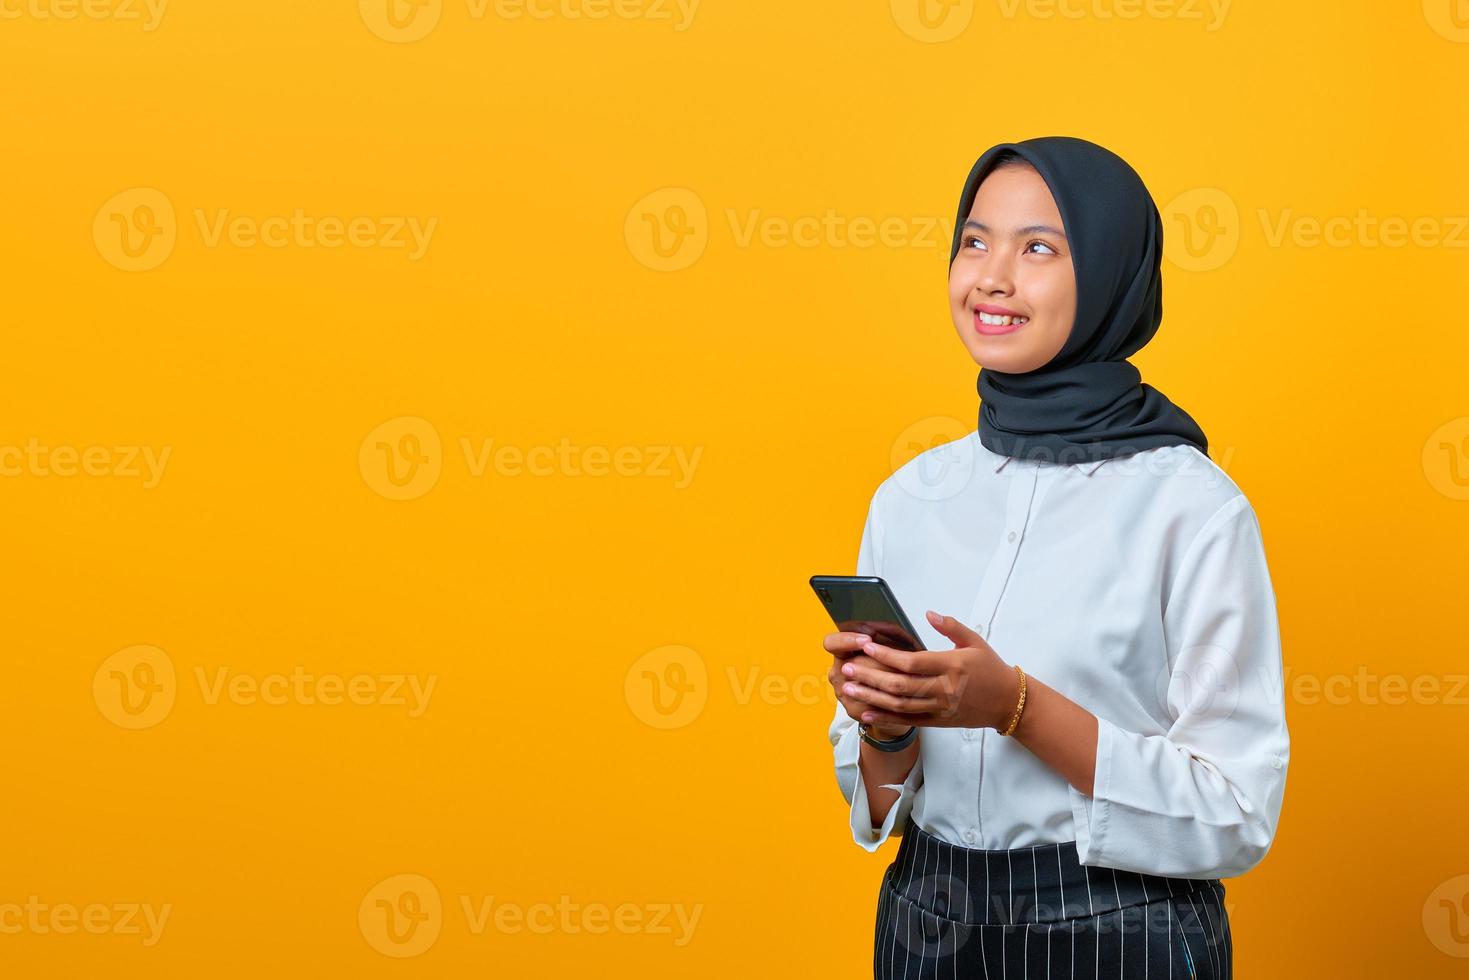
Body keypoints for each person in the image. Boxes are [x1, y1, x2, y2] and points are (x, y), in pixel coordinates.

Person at [823, 137, 1289, 979]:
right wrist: (885, 724)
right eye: (974, 240)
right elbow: (881, 802)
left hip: (1119, 932)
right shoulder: (909, 497)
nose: (990, 276)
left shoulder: (1191, 508)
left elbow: (1236, 812)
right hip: (924, 923)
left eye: (1038, 247)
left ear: (1111, 273)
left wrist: (1018, 708)